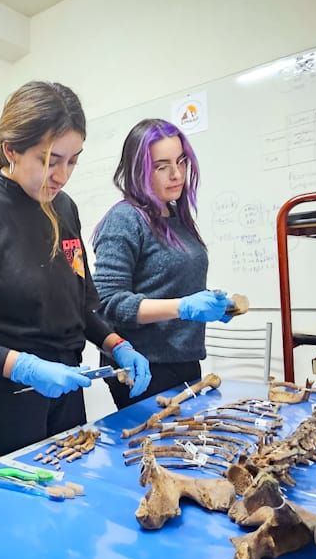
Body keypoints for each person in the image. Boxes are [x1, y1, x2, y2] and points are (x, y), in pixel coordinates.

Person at [0, 81, 151, 472]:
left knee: (67, 497)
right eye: (49, 160)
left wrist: (118, 344)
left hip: (64, 398)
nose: (62, 175)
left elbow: (81, 305)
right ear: (11, 149)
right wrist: (24, 366)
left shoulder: (63, 208)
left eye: (72, 161)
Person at [92, 118, 235, 410]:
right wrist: (183, 307)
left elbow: (170, 283)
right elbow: (107, 301)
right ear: (138, 170)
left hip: (184, 359)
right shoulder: (125, 219)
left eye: (181, 161)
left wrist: (211, 304)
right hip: (144, 367)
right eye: (161, 166)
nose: (176, 174)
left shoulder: (177, 217)